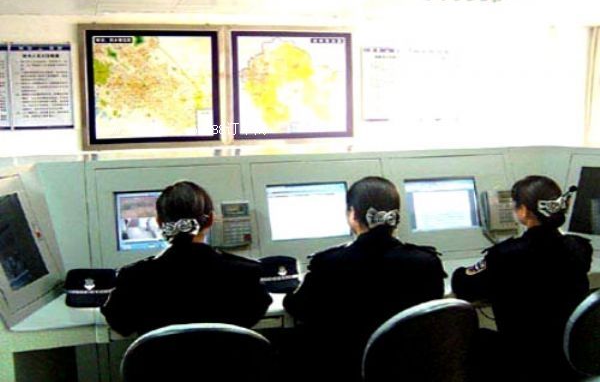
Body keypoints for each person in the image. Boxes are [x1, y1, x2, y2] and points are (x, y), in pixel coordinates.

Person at [283, 176, 446, 382]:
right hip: (409, 370)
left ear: (352, 214)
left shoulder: (328, 263)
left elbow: (297, 307)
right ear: (396, 216)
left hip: (347, 369)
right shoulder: (427, 262)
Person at [452, 175, 592, 381]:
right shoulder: (580, 247)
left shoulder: (504, 255)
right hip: (570, 359)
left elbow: (464, 286)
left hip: (525, 362)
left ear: (524, 211)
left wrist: (462, 271)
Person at [101, 181, 272, 336]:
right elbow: (252, 316)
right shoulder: (245, 273)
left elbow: (121, 324)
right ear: (211, 220)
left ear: (159, 222)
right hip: (227, 361)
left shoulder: (133, 277)